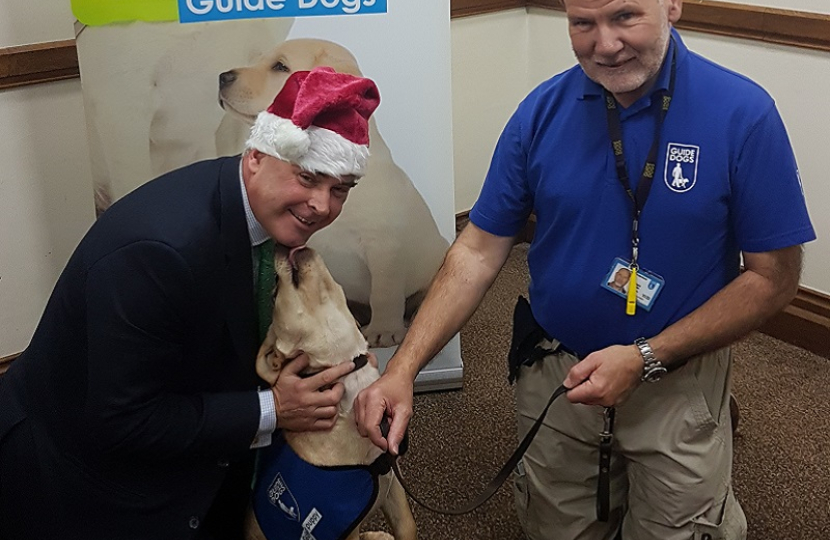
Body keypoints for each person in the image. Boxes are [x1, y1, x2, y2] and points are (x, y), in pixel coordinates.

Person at [354, 1, 815, 539]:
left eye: (625, 16)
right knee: (559, 528)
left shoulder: (743, 113)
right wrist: (402, 369)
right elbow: (477, 250)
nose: (604, 43)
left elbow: (773, 278)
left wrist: (647, 356)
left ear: (672, 5)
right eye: (582, 23)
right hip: (559, 376)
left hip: (677, 378)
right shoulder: (541, 112)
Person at [0, 67, 380, 540]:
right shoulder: (158, 254)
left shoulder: (263, 222)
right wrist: (272, 409)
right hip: (86, 484)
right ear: (257, 155)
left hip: (193, 444)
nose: (322, 206)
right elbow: (124, 422)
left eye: (339, 189)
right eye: (308, 177)